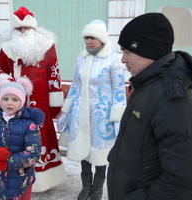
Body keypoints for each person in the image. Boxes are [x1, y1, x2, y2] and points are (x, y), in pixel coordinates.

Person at [107, 13, 192, 200]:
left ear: (147, 51)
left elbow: (184, 179)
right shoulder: (147, 84)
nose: (122, 60)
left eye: (127, 52)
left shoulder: (174, 99)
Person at [0, 6, 65, 192]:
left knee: (42, 136)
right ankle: (22, 177)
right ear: (14, 30)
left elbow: (54, 72)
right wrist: (7, 83)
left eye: (26, 28)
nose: (23, 31)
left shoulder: (47, 44)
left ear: (33, 28)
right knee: (19, 136)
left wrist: (55, 100)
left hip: (41, 100)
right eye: (19, 29)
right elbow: (0, 68)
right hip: (17, 100)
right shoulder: (8, 47)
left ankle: (45, 179)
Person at [58, 20, 126, 200]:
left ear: (102, 39)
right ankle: (85, 186)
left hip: (102, 116)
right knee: (83, 149)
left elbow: (119, 89)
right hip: (80, 113)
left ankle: (97, 188)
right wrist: (67, 108)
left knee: (101, 152)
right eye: (86, 37)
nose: (88, 41)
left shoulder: (114, 59)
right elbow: (75, 85)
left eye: (92, 37)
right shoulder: (81, 58)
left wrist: (118, 116)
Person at [0, 74, 44, 200]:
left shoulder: (29, 125)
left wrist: (7, 163)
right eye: (5, 99)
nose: (9, 103)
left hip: (22, 180)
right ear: (0, 100)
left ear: (22, 101)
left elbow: (34, 154)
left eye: (15, 99)